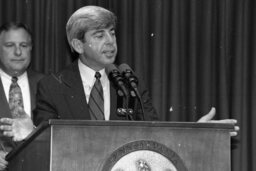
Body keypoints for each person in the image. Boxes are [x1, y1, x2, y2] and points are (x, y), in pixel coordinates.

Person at [0, 6, 239, 146]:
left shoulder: (128, 82)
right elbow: (47, 145)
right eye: (99, 35)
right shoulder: (52, 86)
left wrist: (198, 134)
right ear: (78, 45)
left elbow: (155, 133)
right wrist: (32, 134)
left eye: (112, 33)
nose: (110, 42)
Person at [0, 22, 44, 170]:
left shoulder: (48, 85)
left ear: (31, 48)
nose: (18, 52)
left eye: (24, 45)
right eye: (10, 45)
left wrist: (33, 132)